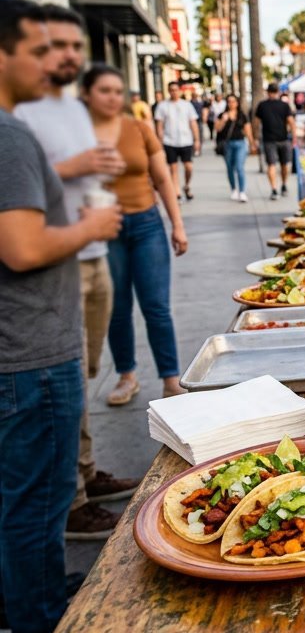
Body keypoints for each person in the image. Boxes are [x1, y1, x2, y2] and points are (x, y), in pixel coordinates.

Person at [0, 0, 123, 633]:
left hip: (21, 347)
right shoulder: (12, 135)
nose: (52, 63)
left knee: (25, 498)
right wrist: (88, 229)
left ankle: (35, 599)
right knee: (37, 504)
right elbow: (20, 248)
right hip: (29, 350)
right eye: (38, 50)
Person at [12, 5, 138, 542]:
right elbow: (21, 230)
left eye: (66, 46)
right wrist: (80, 179)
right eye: (45, 47)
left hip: (82, 261)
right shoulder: (17, 118)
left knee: (77, 379)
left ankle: (82, 475)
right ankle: (71, 501)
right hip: (45, 275)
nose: (60, 56)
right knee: (49, 393)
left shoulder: (70, 108)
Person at [82, 64, 189, 406]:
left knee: (156, 306)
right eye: (104, 90)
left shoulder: (139, 129)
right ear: (87, 94)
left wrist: (177, 224)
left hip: (146, 224)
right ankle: (127, 376)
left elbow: (162, 179)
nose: (113, 97)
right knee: (116, 308)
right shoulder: (77, 135)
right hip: (105, 230)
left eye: (118, 91)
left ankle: (171, 380)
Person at [154, 81, 200, 200]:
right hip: (169, 141)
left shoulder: (187, 105)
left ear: (179, 91)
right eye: (171, 90)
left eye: (176, 90)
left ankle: (186, 186)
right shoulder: (162, 106)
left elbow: (193, 123)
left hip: (186, 140)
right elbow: (159, 125)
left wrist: (197, 140)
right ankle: (177, 192)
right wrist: (159, 141)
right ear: (168, 91)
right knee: (173, 168)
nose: (174, 92)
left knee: (188, 167)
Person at [254, 82, 294, 200]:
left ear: (268, 92)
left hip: (268, 139)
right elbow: (291, 122)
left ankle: (274, 189)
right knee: (284, 164)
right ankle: (284, 185)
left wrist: (255, 137)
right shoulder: (284, 105)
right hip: (283, 138)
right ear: (278, 92)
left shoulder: (262, 105)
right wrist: (294, 138)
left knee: (271, 165)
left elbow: (256, 123)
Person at [214, 95, 255, 202]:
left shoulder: (242, 116)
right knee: (230, 168)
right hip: (227, 144)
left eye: (233, 101)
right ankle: (234, 189)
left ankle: (242, 191)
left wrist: (252, 144)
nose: (231, 104)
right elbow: (217, 129)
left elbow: (248, 131)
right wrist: (223, 120)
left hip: (240, 143)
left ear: (237, 103)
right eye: (229, 101)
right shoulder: (222, 115)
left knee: (239, 167)